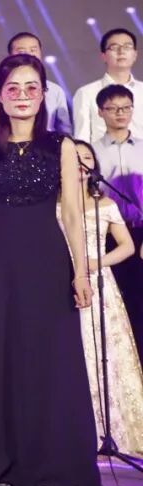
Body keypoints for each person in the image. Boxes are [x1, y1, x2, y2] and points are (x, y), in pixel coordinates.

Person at [0, 54, 101, 486]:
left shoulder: (61, 147)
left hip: (49, 264)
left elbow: (72, 214)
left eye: (32, 88)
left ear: (43, 95)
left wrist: (81, 273)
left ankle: (52, 464)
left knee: (49, 359)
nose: (23, 96)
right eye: (13, 88)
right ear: (0, 96)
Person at [64, 140, 143, 457]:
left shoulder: (105, 204)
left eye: (86, 158)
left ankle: (111, 428)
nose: (81, 164)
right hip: (62, 282)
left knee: (104, 350)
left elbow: (127, 246)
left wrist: (96, 263)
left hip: (100, 283)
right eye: (74, 158)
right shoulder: (52, 206)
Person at [93, 84, 143, 355]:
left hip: (141, 231)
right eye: (113, 108)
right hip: (109, 236)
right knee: (117, 303)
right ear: (100, 112)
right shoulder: (91, 153)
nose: (120, 113)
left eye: (125, 108)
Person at [0, 33, 71, 139]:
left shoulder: (55, 90)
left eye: (33, 50)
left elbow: (64, 129)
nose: (28, 55)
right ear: (10, 55)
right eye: (21, 51)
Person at [73, 28, 142, 143]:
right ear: (103, 56)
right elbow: (82, 138)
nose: (121, 51)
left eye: (127, 47)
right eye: (114, 47)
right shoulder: (86, 93)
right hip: (101, 153)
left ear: (135, 55)